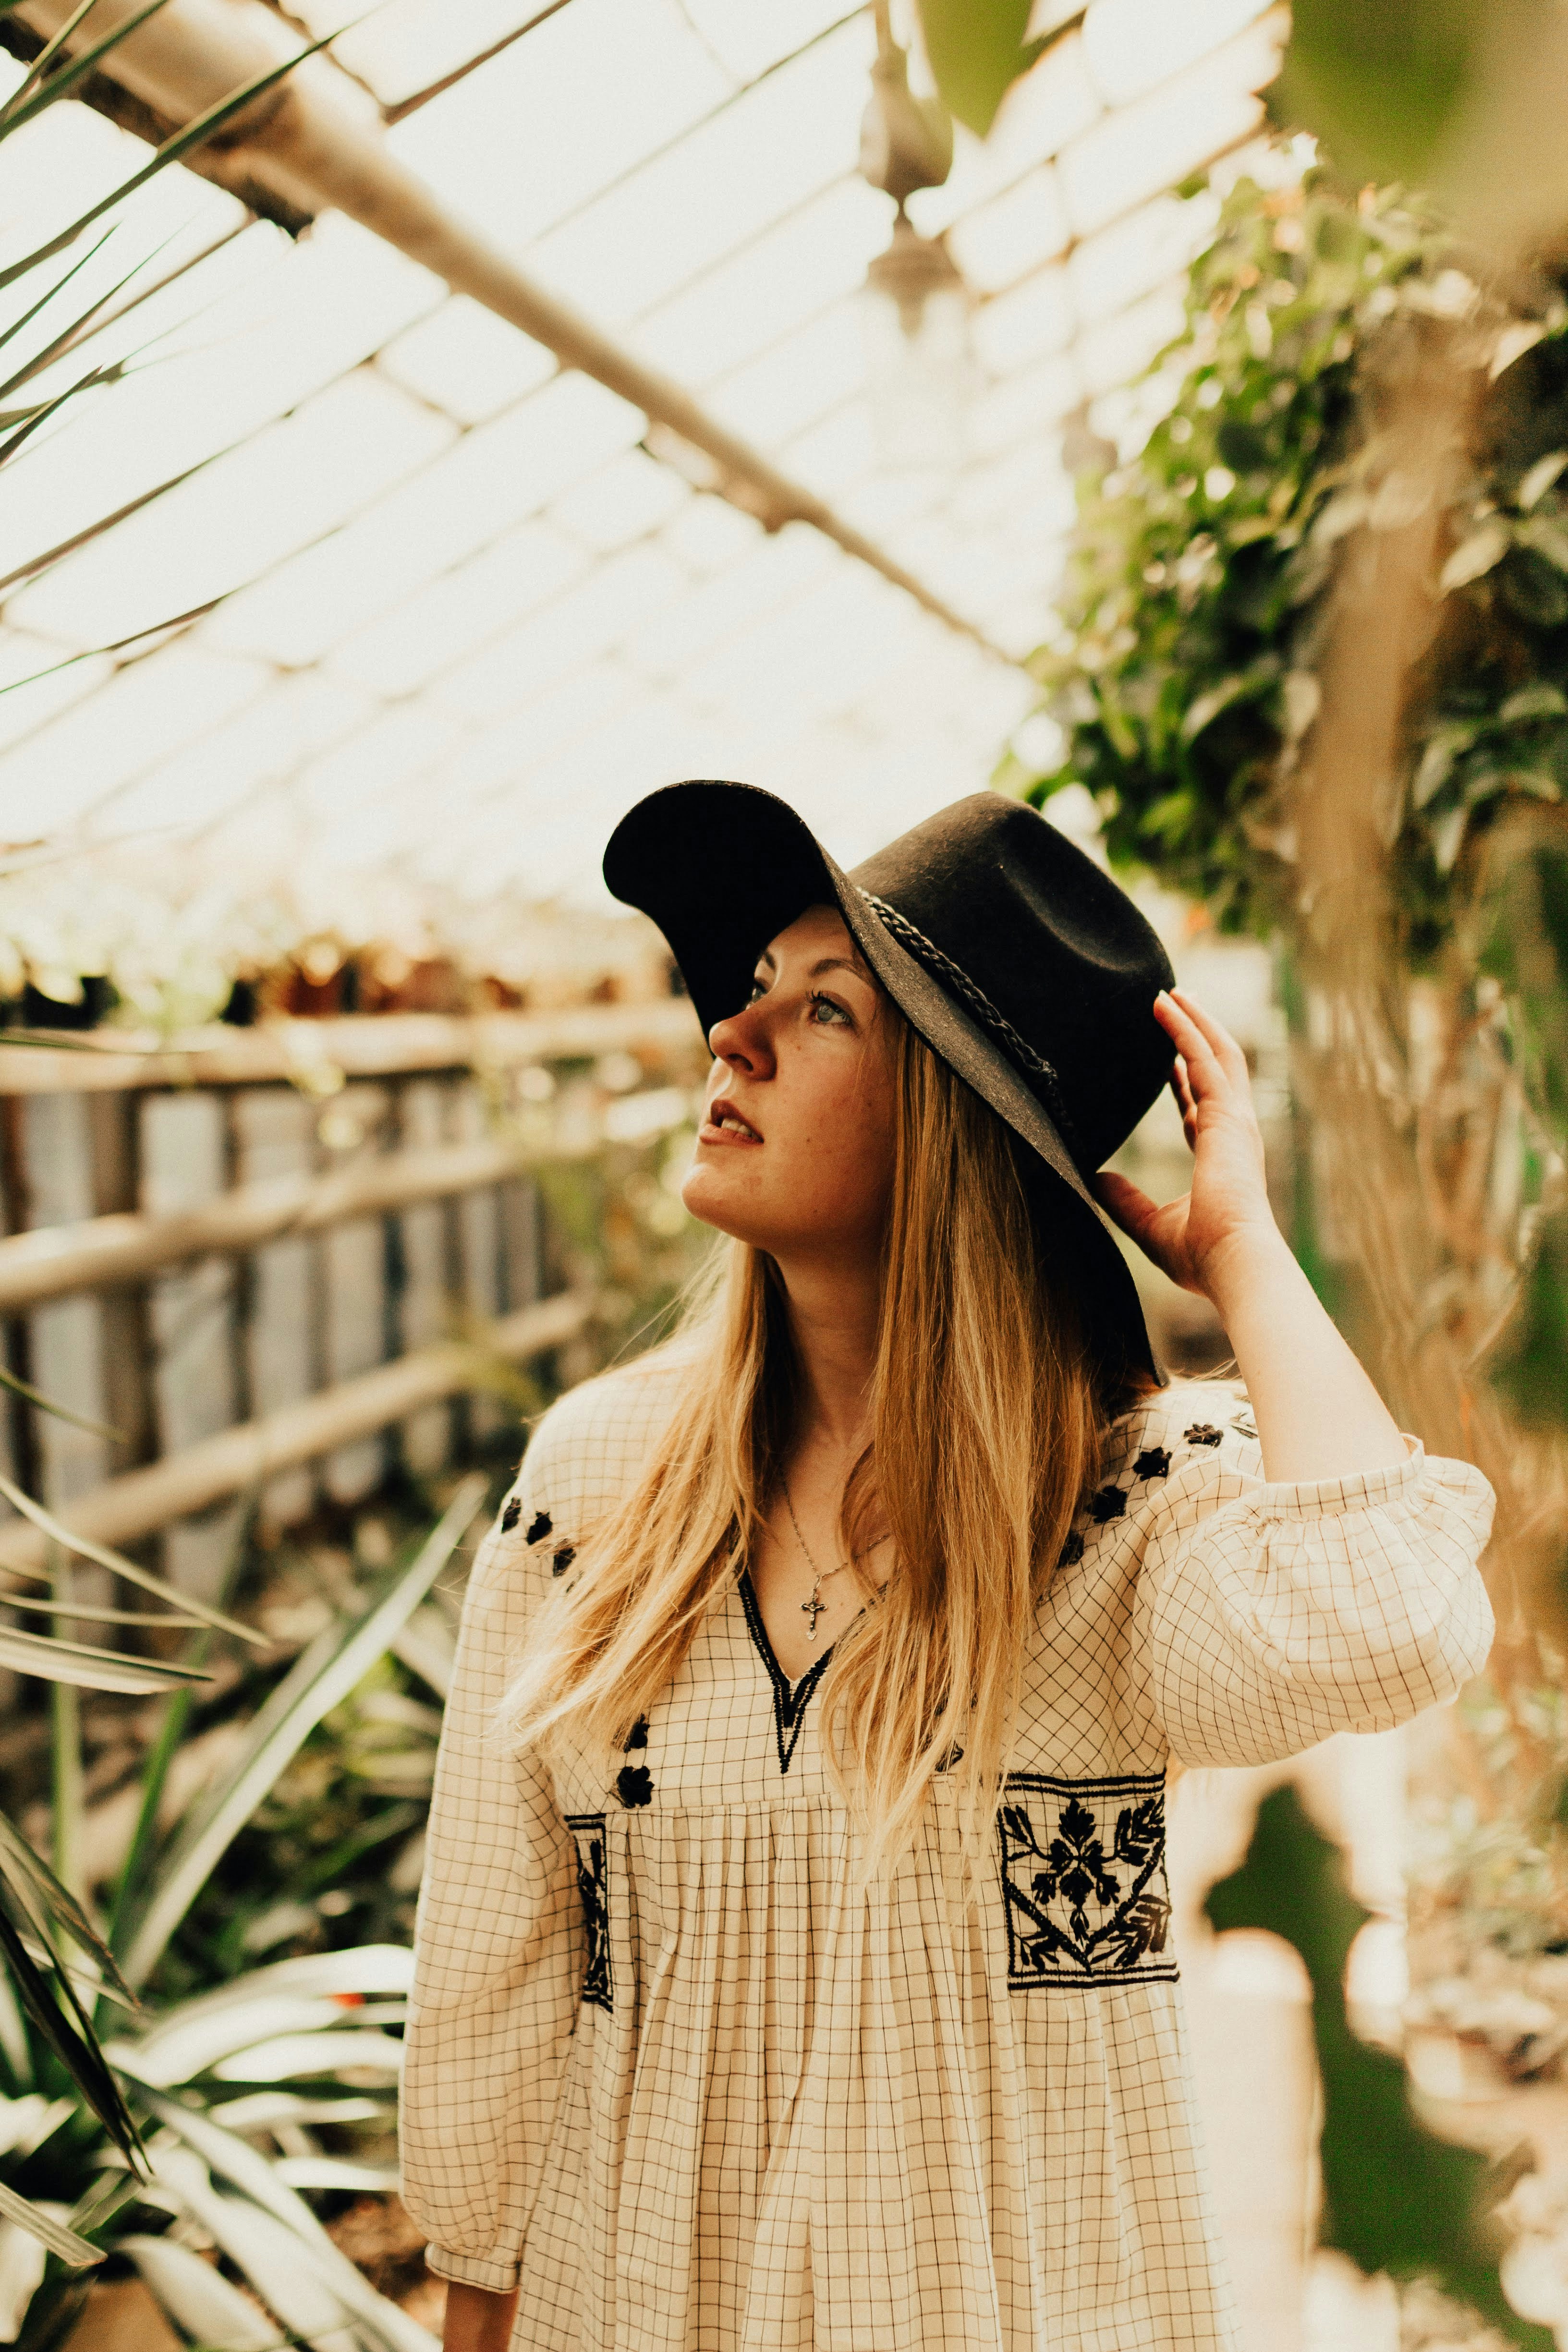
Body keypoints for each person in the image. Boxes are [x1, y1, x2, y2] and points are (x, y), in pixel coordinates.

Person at [402, 782, 1494, 2352]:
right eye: (747, 990)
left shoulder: (1124, 1513)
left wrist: (1243, 1255)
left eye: (824, 1005)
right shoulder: (594, 1492)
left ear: (956, 1123)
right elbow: (492, 1970)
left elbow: (1386, 1618)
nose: (734, 1035)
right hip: (633, 2300)